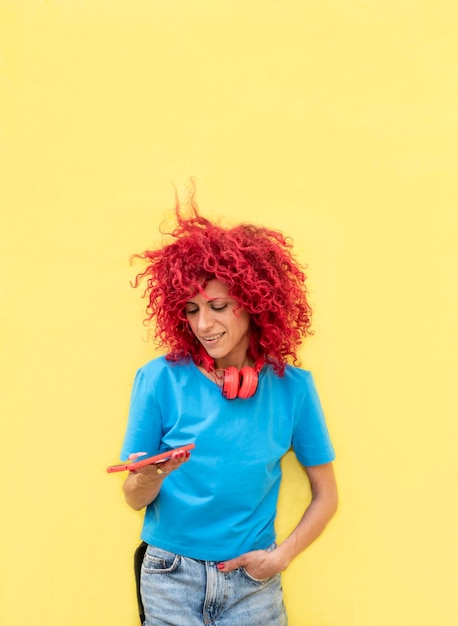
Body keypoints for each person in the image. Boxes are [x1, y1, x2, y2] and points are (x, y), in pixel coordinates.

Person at [120, 187, 338, 626]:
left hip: (252, 584)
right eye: (192, 309)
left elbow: (327, 495)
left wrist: (279, 558)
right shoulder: (158, 379)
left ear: (254, 304)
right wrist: (150, 476)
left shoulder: (293, 389)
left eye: (218, 306)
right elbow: (132, 497)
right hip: (169, 577)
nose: (204, 324)